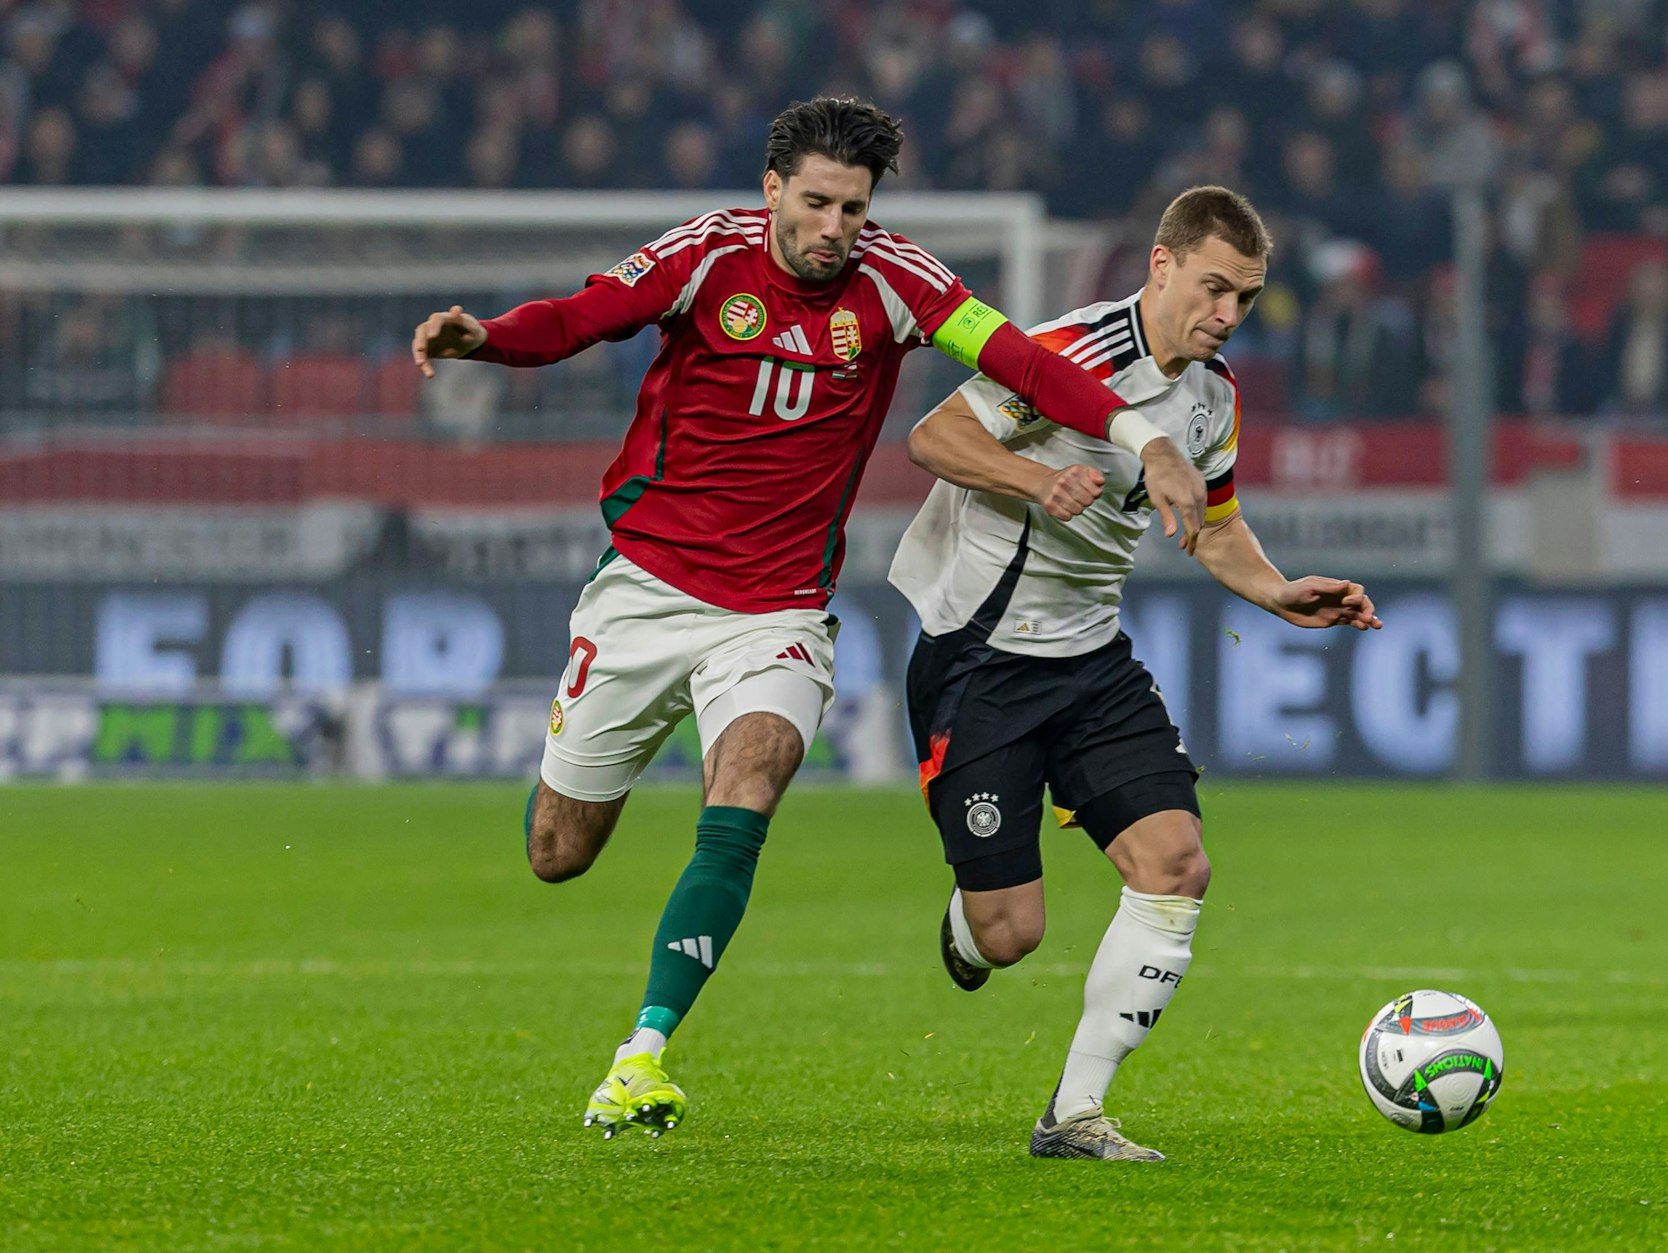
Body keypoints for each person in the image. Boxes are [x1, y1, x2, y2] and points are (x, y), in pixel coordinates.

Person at [409, 97, 1207, 1142]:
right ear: (774, 187)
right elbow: (579, 316)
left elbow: (1019, 360)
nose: (835, 227)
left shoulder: (900, 283)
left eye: (855, 207)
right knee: (557, 849)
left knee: (750, 777)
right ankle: (583, 777)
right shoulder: (703, 256)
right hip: (646, 590)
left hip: (778, 606)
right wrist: (487, 341)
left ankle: (642, 1053)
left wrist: (1140, 435)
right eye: (819, 202)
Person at [888, 186, 1381, 1162]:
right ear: (1159, 266)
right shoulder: (1065, 353)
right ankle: (968, 918)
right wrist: (1037, 478)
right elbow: (931, 435)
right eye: (1211, 288)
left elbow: (1217, 525)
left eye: (1243, 295)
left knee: (1176, 861)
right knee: (1008, 931)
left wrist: (1278, 593)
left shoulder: (1212, 395)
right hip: (978, 658)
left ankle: (1072, 1114)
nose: (1226, 314)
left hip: (1091, 661)